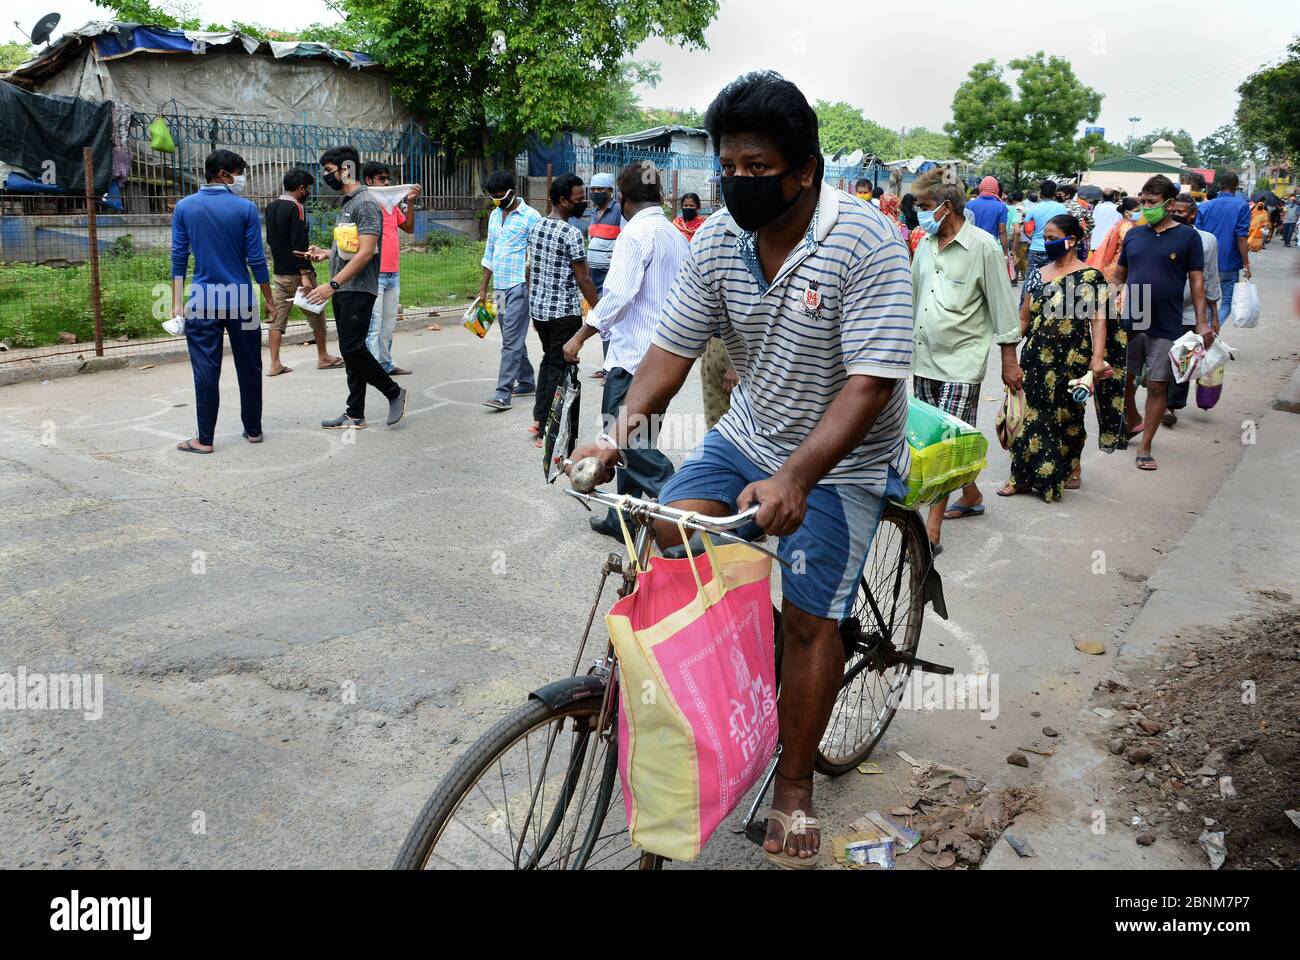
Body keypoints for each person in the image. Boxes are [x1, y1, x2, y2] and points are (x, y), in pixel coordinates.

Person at [568, 71, 914, 867]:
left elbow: (871, 381)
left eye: (758, 168)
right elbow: (671, 351)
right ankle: (716, 693)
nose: (739, 182)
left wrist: (797, 478)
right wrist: (617, 435)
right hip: (750, 431)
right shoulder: (719, 238)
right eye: (730, 166)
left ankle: (794, 781)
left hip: (841, 457)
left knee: (807, 620)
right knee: (667, 537)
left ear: (805, 170)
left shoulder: (866, 241)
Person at [562, 162, 689, 538]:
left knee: (627, 445)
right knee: (640, 437)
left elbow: (617, 295)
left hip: (633, 360)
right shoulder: (673, 234)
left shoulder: (634, 235)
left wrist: (581, 335)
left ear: (622, 197)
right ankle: (623, 519)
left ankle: (686, 511)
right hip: (664, 361)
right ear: (661, 195)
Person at [910, 165, 1023, 549]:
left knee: (944, 444)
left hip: (962, 361)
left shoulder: (984, 248)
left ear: (945, 206)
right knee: (931, 441)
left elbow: (1004, 311)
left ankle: (932, 531)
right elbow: (912, 300)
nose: (919, 213)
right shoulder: (923, 245)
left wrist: (1010, 362)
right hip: (923, 359)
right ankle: (971, 494)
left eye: (923, 205)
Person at [1000, 215, 1121, 501]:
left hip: (1072, 360)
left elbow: (1098, 320)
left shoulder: (1089, 277)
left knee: (1068, 417)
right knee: (1029, 415)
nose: (1049, 243)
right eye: (1046, 238)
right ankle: (1021, 477)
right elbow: (1024, 319)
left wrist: (1097, 357)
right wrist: (1008, 351)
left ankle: (1071, 467)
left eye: (1054, 238)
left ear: (1073, 241)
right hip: (1036, 359)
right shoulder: (1038, 274)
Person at [171, 149, 273, 453]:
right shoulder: (246, 209)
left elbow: (178, 256)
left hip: (203, 298)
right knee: (250, 365)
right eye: (240, 172)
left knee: (205, 368)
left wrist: (177, 303)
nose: (242, 178)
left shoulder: (184, 207)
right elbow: (256, 259)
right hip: (241, 296)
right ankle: (253, 430)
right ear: (224, 174)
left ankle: (204, 439)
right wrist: (269, 298)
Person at [299, 145, 408, 429]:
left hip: (358, 287)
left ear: (346, 169)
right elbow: (351, 247)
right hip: (347, 287)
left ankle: (394, 392)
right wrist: (325, 252)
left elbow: (366, 252)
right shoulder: (347, 204)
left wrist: (332, 284)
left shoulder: (366, 204)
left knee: (352, 349)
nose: (325, 176)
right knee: (353, 350)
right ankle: (354, 413)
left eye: (329, 170)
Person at [1112, 174, 1211, 471]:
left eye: (1151, 202)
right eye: (1142, 201)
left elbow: (1196, 282)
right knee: (1124, 380)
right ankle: (1132, 421)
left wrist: (1203, 323)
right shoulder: (1134, 234)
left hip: (1167, 323)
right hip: (1133, 318)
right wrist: (1106, 305)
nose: (1145, 207)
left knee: (1157, 385)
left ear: (1168, 204)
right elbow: (1119, 275)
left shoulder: (1187, 237)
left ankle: (1145, 446)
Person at [528, 173, 600, 445]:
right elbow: (584, 279)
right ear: (562, 201)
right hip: (564, 313)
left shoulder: (536, 226)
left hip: (541, 311)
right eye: (579, 199)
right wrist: (601, 311)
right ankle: (551, 431)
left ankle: (539, 419)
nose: (584, 203)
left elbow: (532, 270)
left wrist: (533, 305)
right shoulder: (571, 233)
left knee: (549, 361)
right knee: (563, 372)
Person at [263, 169, 342, 374]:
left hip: (279, 273)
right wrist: (305, 275)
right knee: (317, 313)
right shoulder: (296, 208)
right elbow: (298, 243)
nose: (308, 192)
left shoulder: (271, 207)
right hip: (299, 274)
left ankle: (274, 364)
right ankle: (323, 357)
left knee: (278, 319)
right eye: (308, 188)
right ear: (300, 189)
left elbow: (272, 240)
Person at [475, 169, 541, 410]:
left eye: (500, 196)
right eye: (493, 197)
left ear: (513, 192)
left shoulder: (531, 217)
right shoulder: (494, 216)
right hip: (499, 289)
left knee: (511, 340)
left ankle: (503, 394)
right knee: (510, 337)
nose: (497, 200)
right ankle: (525, 380)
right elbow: (489, 252)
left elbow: (537, 256)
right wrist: (483, 288)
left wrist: (534, 290)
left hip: (519, 287)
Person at [1163, 194, 1222, 427]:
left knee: (1184, 359)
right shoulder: (1161, 235)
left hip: (1190, 311)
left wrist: (1212, 315)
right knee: (1161, 358)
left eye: (1181, 211)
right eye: (1173, 210)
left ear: (1193, 214)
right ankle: (1159, 397)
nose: (1177, 215)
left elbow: (1210, 277)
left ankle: (1171, 406)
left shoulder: (1207, 240)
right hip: (1162, 308)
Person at [361, 161, 420, 378]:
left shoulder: (390, 205)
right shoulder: (366, 204)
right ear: (369, 181)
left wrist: (410, 202)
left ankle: (385, 364)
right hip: (374, 272)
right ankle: (370, 369)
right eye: (381, 179)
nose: (386, 182)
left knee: (388, 323)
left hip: (393, 272)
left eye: (388, 179)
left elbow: (409, 228)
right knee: (374, 325)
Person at [1195, 171, 1252, 324]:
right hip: (1229, 262)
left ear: (1220, 185)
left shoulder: (1206, 206)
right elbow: (1241, 237)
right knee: (1226, 302)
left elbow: (1197, 235)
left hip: (1205, 261)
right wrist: (1246, 265)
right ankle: (1212, 333)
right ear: (1236, 187)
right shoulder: (1241, 206)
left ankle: (1205, 333)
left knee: (1207, 300)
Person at [1024, 180, 1068, 275]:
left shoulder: (1033, 209)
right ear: (1054, 193)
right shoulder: (1062, 208)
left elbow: (1027, 230)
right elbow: (1065, 228)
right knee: (1053, 281)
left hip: (1036, 248)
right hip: (1055, 248)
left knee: (1031, 281)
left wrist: (1034, 238)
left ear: (1041, 193)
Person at [967, 175, 1010, 254]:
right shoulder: (1001, 207)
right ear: (996, 189)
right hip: (991, 248)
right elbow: (1002, 231)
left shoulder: (969, 205)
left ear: (981, 188)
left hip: (971, 248)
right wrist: (1005, 253)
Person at [1090, 188, 1121, 253]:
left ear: (1102, 197)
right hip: (1111, 240)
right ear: (1113, 197)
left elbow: (1093, 221)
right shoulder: (1117, 208)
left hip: (1097, 240)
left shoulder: (1098, 207)